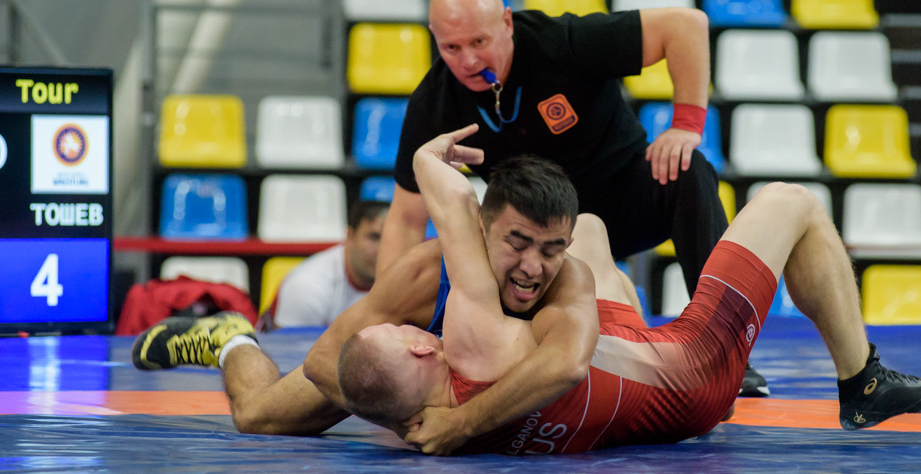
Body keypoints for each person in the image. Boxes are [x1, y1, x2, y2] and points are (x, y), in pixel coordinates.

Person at [337, 125, 921, 455]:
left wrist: (456, 427)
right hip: (695, 373)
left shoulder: (415, 424)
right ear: (421, 348)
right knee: (791, 201)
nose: (409, 323)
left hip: (618, 366)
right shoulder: (474, 342)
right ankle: (863, 381)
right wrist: (426, 156)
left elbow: (369, 385)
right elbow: (450, 202)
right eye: (397, 331)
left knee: (588, 228)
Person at [379, 0, 769, 396]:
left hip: (624, 202)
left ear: (507, 22)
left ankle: (729, 352)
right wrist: (385, 320)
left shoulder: (561, 42)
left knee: (688, 169)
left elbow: (686, 26)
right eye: (451, 48)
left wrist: (686, 126)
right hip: (542, 239)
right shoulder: (434, 102)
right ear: (434, 38)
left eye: (479, 42)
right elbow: (405, 219)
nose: (469, 61)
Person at [131, 142, 606, 447]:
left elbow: (567, 363)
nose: (531, 267)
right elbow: (322, 360)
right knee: (258, 416)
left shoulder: (563, 273)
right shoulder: (427, 273)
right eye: (516, 244)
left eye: (549, 249)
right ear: (482, 230)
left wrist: (462, 424)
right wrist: (405, 421)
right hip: (416, 378)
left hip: (465, 397)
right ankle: (231, 340)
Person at [257, 200, 389, 332]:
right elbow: (290, 345)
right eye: (374, 237)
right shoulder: (306, 286)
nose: (382, 249)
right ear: (350, 236)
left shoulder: (397, 280)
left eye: (390, 238)